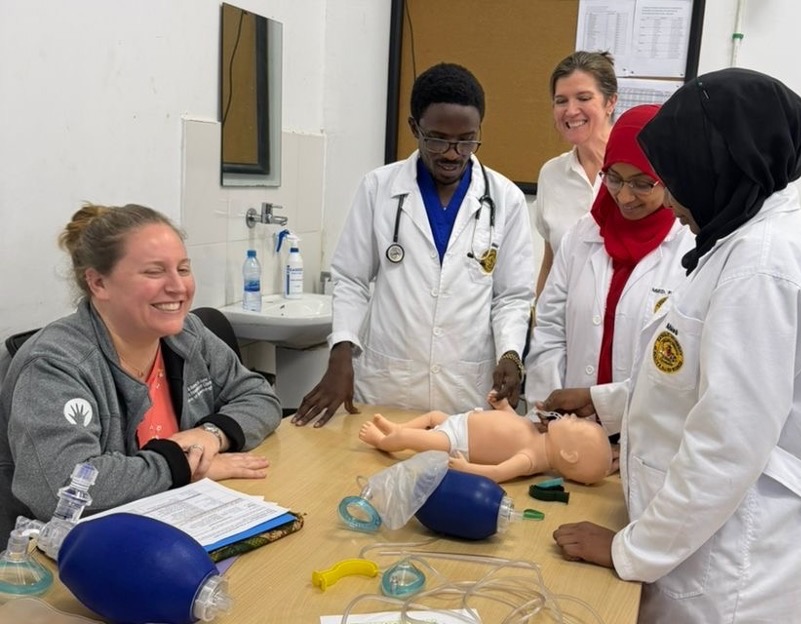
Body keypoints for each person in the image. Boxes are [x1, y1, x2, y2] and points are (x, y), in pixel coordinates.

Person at [548, 68, 801, 622]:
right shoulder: (742, 237)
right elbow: (699, 376)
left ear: (719, 166)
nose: (671, 197)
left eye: (675, 176)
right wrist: (608, 401)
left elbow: (728, 442)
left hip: (731, 566)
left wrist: (626, 550)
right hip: (704, 536)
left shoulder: (761, 266)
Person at [0, 204, 281, 538]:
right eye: (154, 272)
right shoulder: (54, 364)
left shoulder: (186, 334)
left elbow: (258, 395)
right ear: (99, 283)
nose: (178, 287)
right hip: (62, 556)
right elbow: (61, 489)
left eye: (183, 269)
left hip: (173, 520)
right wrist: (182, 465)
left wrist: (209, 436)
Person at [294, 63, 534, 427]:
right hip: (389, 385)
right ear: (414, 129)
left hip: (466, 388)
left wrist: (511, 353)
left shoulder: (506, 199)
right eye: (437, 139)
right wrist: (340, 353)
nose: (453, 153)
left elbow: (512, 296)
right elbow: (352, 281)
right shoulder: (378, 188)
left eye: (466, 140)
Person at [525, 104, 694, 437]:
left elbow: (683, 366)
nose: (625, 196)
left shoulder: (690, 246)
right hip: (569, 432)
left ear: (671, 178)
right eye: (614, 178)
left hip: (647, 437)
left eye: (644, 184)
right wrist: (546, 411)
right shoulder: (582, 235)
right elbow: (549, 330)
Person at [358, 392, 611, 485]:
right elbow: (512, 423)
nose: (571, 416)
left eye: (576, 423)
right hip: (459, 421)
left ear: (569, 454)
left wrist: (468, 468)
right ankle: (395, 427)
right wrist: (502, 406)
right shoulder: (537, 433)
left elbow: (498, 472)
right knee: (433, 416)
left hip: (456, 442)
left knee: (409, 439)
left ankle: (383, 440)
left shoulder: (531, 459)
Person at [534, 51, 618, 296]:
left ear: (610, 102)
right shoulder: (552, 174)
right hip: (564, 325)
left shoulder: (641, 172)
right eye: (561, 101)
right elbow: (550, 263)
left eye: (583, 98)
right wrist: (538, 327)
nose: (571, 111)